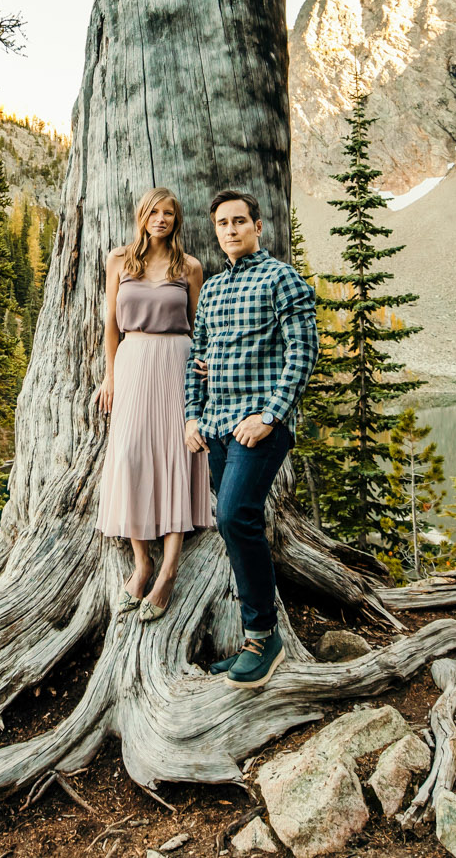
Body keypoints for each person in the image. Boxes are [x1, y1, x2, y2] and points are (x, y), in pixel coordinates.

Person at [184, 188, 318, 689]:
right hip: (216, 427)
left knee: (234, 515)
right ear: (216, 231)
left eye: (240, 221)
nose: (231, 229)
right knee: (236, 525)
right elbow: (195, 360)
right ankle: (251, 635)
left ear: (258, 227)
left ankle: (264, 637)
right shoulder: (214, 290)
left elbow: (303, 351)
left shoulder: (282, 278)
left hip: (258, 426)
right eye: (223, 223)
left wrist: (271, 415)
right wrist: (191, 417)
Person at [95, 187, 213, 620]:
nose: (161, 219)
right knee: (129, 456)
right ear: (141, 216)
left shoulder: (190, 267)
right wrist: (109, 376)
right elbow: (110, 324)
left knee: (177, 457)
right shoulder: (118, 261)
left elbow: (201, 328)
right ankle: (141, 563)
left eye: (169, 213)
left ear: (176, 220)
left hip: (177, 362)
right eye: (154, 212)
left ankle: (167, 573)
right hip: (132, 360)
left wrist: (206, 374)